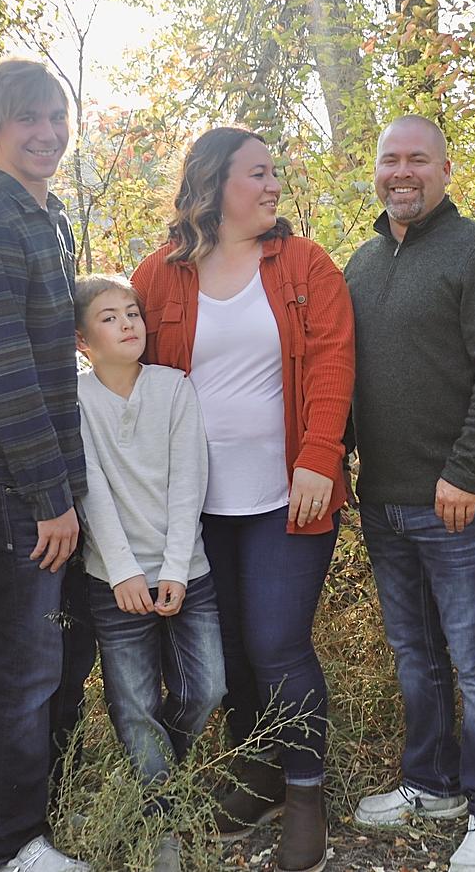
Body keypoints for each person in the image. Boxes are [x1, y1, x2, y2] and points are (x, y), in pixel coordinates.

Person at [130, 126, 355, 872]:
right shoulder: (160, 274)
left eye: (273, 172)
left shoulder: (303, 264)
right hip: (195, 503)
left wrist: (319, 458)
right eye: (256, 172)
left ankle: (305, 795)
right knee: (225, 650)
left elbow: (332, 363)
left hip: (286, 495)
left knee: (277, 642)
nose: (272, 184)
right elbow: (121, 363)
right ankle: (256, 775)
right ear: (214, 183)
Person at [346, 115, 475, 872]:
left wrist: (465, 469)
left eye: (417, 159)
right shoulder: (361, 263)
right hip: (383, 501)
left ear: (445, 170)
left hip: (457, 501)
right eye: (390, 159)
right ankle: (432, 783)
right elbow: (348, 376)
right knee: (414, 653)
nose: (402, 172)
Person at [0, 58, 90, 872]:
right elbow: (3, 372)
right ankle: (4, 847)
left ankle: (39, 825)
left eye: (55, 115)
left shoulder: (46, 216)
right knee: (26, 669)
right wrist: (49, 496)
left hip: (46, 478)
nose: (47, 132)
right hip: (10, 482)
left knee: (64, 658)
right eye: (27, 117)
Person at [72, 273, 224, 872]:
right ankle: (162, 819)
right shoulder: (77, 400)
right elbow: (91, 492)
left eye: (132, 313)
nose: (127, 324)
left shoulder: (173, 388)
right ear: (83, 340)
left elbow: (189, 483)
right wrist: (123, 572)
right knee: (133, 702)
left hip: (188, 570)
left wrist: (176, 570)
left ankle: (158, 774)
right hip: (114, 581)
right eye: (108, 318)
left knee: (207, 687)